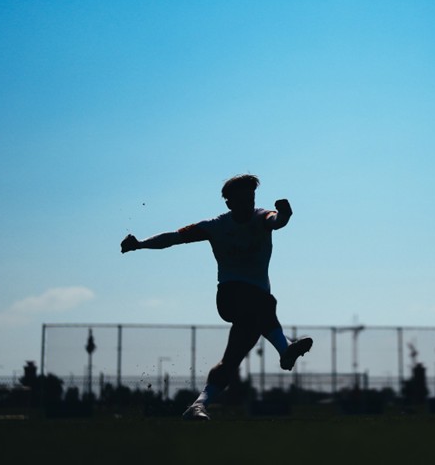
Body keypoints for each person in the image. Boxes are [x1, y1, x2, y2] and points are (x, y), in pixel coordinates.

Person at [121, 174, 312, 420]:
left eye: (251, 198)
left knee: (230, 362)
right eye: (242, 199)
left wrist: (286, 213)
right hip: (230, 297)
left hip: (256, 310)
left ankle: (198, 406)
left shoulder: (261, 218)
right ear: (229, 204)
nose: (248, 204)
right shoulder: (217, 226)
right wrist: (139, 244)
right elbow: (173, 238)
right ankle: (285, 349)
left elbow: (277, 221)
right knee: (262, 301)